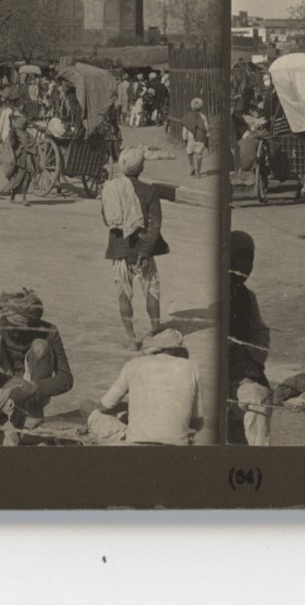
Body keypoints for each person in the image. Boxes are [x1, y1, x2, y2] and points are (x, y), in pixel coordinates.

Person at [82, 328, 203, 445]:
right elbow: (197, 423)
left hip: (135, 441)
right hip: (176, 443)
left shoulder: (133, 365)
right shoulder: (192, 367)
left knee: (86, 406)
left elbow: (103, 407)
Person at [102, 146, 167, 347]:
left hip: (120, 249)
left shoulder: (112, 188)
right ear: (141, 168)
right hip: (143, 250)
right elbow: (155, 223)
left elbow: (107, 219)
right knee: (151, 291)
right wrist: (146, 250)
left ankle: (131, 339)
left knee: (124, 293)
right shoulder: (150, 190)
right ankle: (155, 331)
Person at [0, 289, 74, 430]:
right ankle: (0, 409)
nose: (15, 332)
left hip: (34, 390)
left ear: (33, 323)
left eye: (22, 328)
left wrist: (33, 389)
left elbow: (66, 379)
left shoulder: (49, 331)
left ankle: (33, 411)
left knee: (41, 346)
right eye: (11, 326)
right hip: (6, 385)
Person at [226, 231, 272, 446]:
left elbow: (260, 333)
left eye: (250, 259)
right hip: (211, 378)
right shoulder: (213, 291)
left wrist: (250, 358)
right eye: (240, 257)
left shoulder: (247, 296)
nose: (246, 265)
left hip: (239, 375)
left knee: (258, 397)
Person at [3, 111, 34, 204]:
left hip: (27, 157)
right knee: (19, 178)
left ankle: (24, 197)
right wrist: (20, 147)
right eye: (24, 124)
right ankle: (13, 196)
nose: (25, 126)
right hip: (20, 158)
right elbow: (11, 144)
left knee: (27, 178)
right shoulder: (14, 132)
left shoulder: (25, 133)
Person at [182, 97, 211, 178]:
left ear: (191, 106)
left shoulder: (188, 117)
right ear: (201, 107)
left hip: (191, 137)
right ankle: (198, 172)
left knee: (189, 152)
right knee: (199, 154)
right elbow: (206, 129)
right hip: (200, 137)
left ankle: (192, 166)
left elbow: (185, 129)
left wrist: (184, 139)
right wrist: (207, 139)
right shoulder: (203, 117)